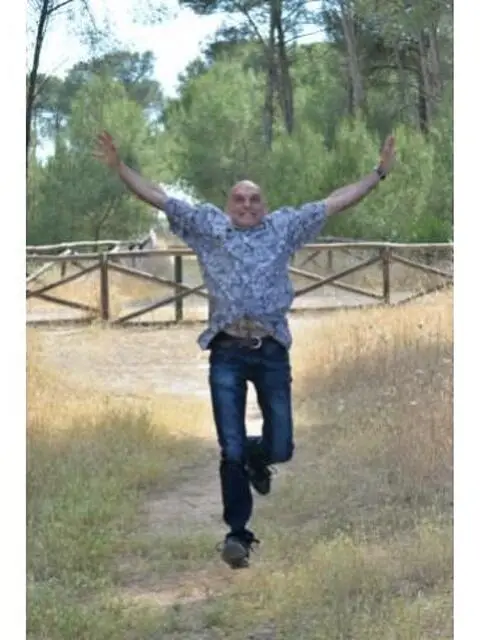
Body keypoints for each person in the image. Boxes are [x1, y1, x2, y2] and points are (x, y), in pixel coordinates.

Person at [94, 131, 396, 569]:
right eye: (239, 199)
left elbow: (335, 201)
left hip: (270, 349)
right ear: (228, 204)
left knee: (282, 446)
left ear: (265, 206)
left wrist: (378, 174)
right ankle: (238, 535)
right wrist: (120, 168)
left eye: (255, 200)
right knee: (230, 447)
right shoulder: (208, 227)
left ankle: (261, 457)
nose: (247, 206)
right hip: (227, 352)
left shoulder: (284, 227)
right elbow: (158, 196)